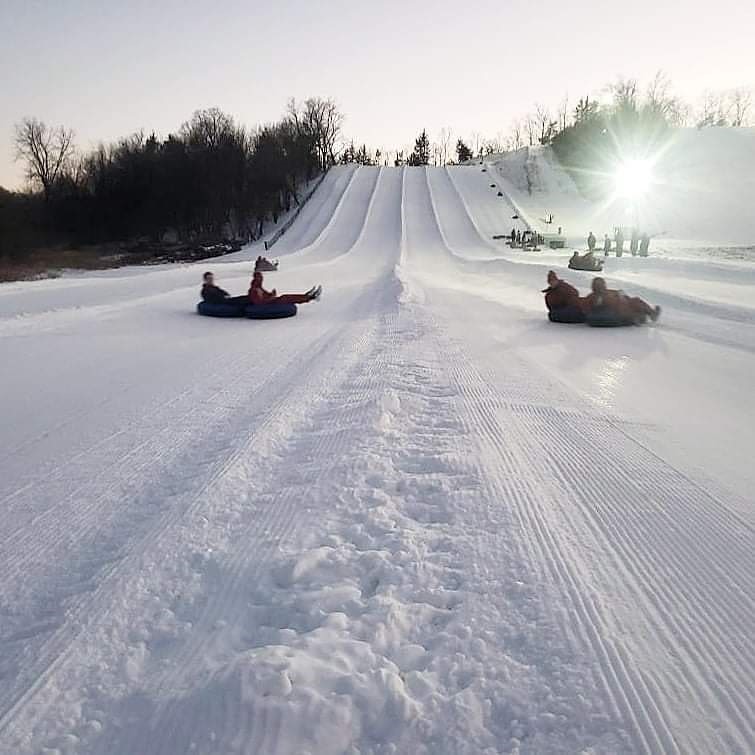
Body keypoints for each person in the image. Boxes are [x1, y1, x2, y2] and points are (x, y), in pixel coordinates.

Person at [580, 277, 660, 323]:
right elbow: (620, 307)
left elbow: (585, 306)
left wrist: (621, 294)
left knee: (634, 301)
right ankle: (649, 313)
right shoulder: (600, 296)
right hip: (619, 312)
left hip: (619, 309)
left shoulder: (593, 295)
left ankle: (647, 313)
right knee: (635, 301)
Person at [248, 271, 321, 306]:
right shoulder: (253, 290)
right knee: (286, 298)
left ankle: (307, 296)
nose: (261, 279)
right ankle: (311, 297)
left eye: (261, 277)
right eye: (260, 278)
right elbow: (259, 303)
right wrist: (271, 298)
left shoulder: (259, 287)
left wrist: (271, 294)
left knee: (286, 296)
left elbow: (266, 295)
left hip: (271, 301)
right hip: (268, 305)